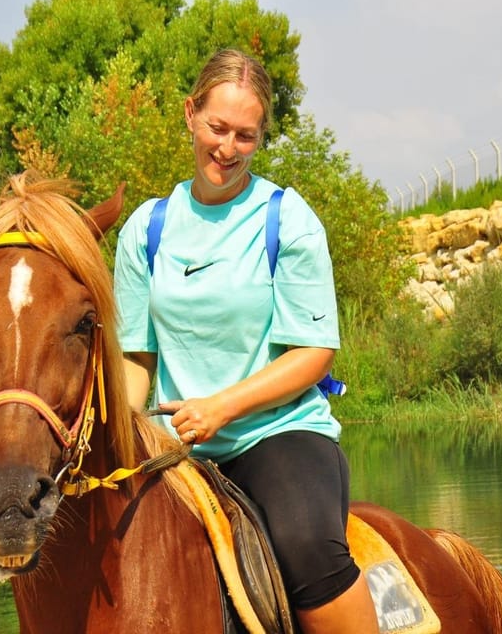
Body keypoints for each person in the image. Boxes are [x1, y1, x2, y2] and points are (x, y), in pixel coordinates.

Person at [113, 48, 378, 633]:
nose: (227, 149)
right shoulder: (145, 230)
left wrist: (221, 407)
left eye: (246, 136)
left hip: (277, 434)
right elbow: (136, 359)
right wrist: (123, 441)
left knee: (309, 549)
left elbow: (314, 354)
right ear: (189, 114)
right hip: (174, 449)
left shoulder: (287, 219)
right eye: (217, 127)